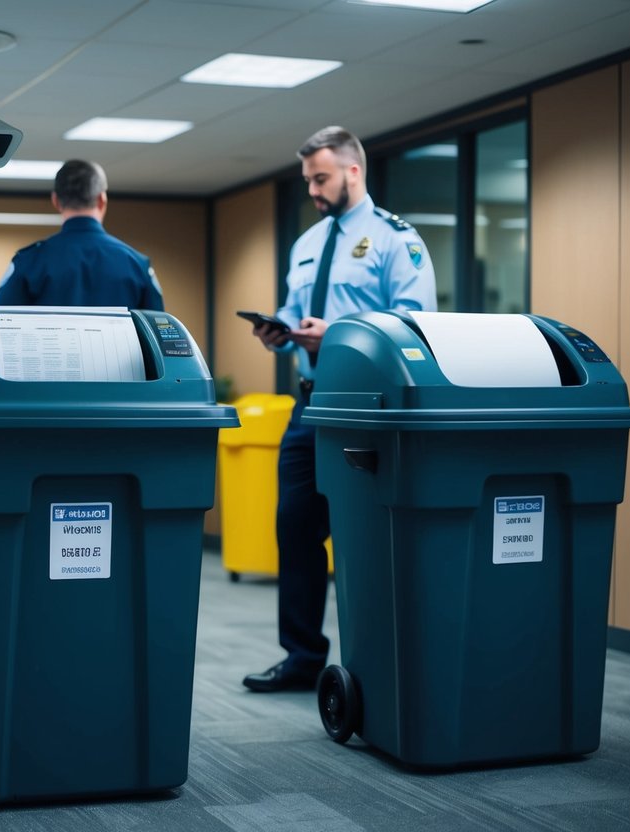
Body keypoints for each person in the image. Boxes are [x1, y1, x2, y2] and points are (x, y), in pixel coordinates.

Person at [242, 126, 437, 692]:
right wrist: (279, 328)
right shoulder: (306, 244)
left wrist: (340, 335)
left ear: (354, 171)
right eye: (307, 180)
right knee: (295, 528)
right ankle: (303, 657)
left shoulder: (396, 240)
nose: (313, 190)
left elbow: (411, 326)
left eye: (320, 178)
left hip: (365, 411)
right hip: (309, 407)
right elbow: (296, 309)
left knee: (366, 534)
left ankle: (380, 660)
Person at [0, 159, 164, 310]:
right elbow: (156, 333)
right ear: (101, 200)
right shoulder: (137, 264)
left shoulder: (29, 261)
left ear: (56, 201)